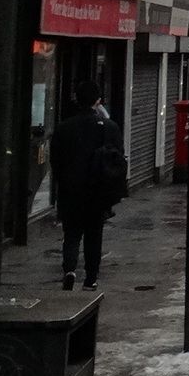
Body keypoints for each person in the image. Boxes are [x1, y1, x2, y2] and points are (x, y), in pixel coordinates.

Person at [52, 82, 125, 291]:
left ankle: (70, 270)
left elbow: (55, 161)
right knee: (94, 235)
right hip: (97, 192)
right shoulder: (109, 127)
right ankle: (91, 278)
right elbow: (118, 158)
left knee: (72, 233)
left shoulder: (64, 127)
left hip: (71, 191)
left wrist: (62, 183)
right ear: (98, 101)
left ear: (76, 99)